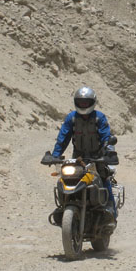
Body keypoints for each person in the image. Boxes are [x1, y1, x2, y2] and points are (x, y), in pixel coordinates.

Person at [51, 86, 117, 224]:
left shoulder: (99, 118)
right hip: (78, 158)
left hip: (98, 157)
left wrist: (109, 151)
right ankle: (64, 208)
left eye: (86, 102)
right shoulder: (72, 118)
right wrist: (55, 155)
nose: (83, 105)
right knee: (67, 178)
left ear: (92, 102)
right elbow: (63, 137)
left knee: (104, 177)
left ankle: (111, 211)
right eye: (80, 102)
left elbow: (106, 136)